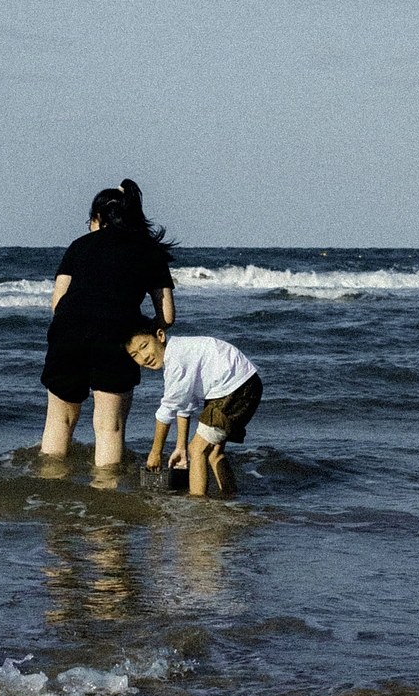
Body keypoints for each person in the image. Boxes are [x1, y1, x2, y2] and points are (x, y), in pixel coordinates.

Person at [40, 180, 176, 467]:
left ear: (98, 219)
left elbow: (57, 304)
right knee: (109, 426)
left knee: (60, 420)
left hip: (68, 331)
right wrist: (140, 327)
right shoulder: (148, 251)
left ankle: (48, 495)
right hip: (117, 334)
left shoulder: (79, 245)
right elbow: (167, 316)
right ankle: (105, 498)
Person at [125, 325, 262, 497]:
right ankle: (229, 496)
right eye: (135, 355)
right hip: (239, 384)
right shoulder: (179, 351)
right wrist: (180, 446)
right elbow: (184, 405)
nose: (144, 357)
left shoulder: (176, 360)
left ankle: (197, 507)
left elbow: (166, 411)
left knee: (197, 450)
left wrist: (155, 453)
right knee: (213, 453)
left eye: (144, 346)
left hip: (234, 387)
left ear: (160, 335)